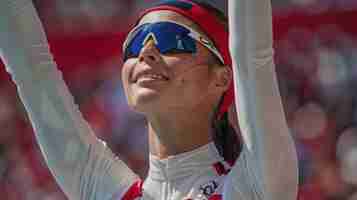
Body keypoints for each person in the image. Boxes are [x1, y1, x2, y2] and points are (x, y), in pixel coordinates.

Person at [0, 0, 298, 199]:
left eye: (171, 39)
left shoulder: (254, 185)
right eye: (135, 44)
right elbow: (31, 69)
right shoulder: (103, 189)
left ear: (221, 78)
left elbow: (251, 55)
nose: (146, 52)